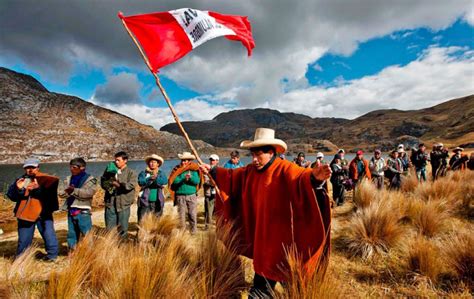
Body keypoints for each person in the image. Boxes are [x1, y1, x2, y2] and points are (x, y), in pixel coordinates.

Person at [200, 128, 331, 297]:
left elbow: (301, 178)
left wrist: (314, 178)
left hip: (284, 239)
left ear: (271, 152)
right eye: (252, 154)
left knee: (292, 281)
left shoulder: (285, 168)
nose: (254, 159)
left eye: (258, 155)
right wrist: (212, 171)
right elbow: (232, 177)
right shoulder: (250, 171)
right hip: (263, 236)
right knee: (262, 276)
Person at [6, 158, 59, 261]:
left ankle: (52, 256)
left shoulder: (48, 179)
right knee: (24, 239)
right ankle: (21, 259)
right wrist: (19, 188)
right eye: (27, 167)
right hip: (25, 214)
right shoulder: (20, 180)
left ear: (38, 168)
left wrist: (38, 189)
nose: (30, 170)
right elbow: (11, 196)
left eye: (32, 167)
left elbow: (50, 197)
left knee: (49, 235)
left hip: (44, 213)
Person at [58, 158, 98, 250]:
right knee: (71, 234)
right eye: (70, 167)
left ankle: (89, 253)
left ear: (82, 168)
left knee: (86, 233)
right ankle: (72, 252)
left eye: (74, 167)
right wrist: (65, 192)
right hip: (71, 209)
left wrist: (73, 190)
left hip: (83, 211)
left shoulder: (90, 179)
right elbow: (62, 193)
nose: (71, 169)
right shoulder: (68, 179)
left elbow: (89, 193)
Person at [101, 151, 137, 239]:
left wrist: (119, 184)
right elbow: (103, 183)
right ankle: (111, 246)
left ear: (125, 160)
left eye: (118, 160)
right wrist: (107, 181)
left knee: (123, 228)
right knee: (110, 228)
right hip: (110, 202)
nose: (116, 162)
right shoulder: (110, 171)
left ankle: (122, 247)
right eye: (115, 160)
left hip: (123, 203)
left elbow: (131, 185)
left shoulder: (131, 172)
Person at [168, 152, 203, 234]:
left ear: (189, 161)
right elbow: (173, 181)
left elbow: (197, 181)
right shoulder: (177, 169)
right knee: (181, 215)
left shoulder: (194, 169)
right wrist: (183, 178)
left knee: (192, 214)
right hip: (180, 195)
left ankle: (193, 230)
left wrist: (190, 178)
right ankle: (182, 231)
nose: (183, 162)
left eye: (185, 160)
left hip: (191, 195)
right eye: (182, 160)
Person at [137, 154, 167, 223]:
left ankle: (155, 233)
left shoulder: (161, 173)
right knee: (143, 219)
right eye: (151, 162)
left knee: (157, 219)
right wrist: (149, 179)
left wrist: (156, 178)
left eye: (154, 162)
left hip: (157, 201)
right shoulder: (143, 173)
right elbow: (141, 182)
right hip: (145, 201)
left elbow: (164, 181)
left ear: (158, 164)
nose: (152, 164)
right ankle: (141, 233)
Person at [203, 154, 219, 230]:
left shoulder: (219, 170)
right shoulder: (205, 170)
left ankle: (218, 225)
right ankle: (207, 226)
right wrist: (211, 182)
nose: (211, 161)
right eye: (211, 160)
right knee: (208, 210)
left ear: (217, 161)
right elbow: (205, 180)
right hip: (208, 193)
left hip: (217, 193)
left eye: (213, 160)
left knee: (218, 211)